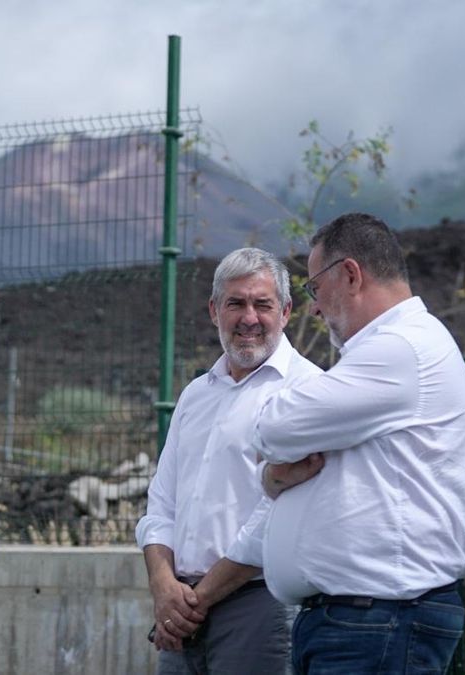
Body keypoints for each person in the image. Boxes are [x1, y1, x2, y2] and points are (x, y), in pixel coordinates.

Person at [239, 212, 465, 674]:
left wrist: (274, 461)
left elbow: (272, 428)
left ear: (351, 275)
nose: (314, 308)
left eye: (315, 287)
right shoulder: (395, 350)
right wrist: (274, 479)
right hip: (366, 622)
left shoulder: (400, 349)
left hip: (379, 623)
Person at [135, 247, 322, 674]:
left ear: (286, 312)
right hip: (180, 611)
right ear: (214, 310)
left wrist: (193, 602)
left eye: (263, 305)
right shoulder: (196, 395)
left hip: (257, 607)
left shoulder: (308, 391)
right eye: (235, 303)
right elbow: (161, 504)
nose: (249, 318)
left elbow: (278, 517)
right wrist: (163, 585)